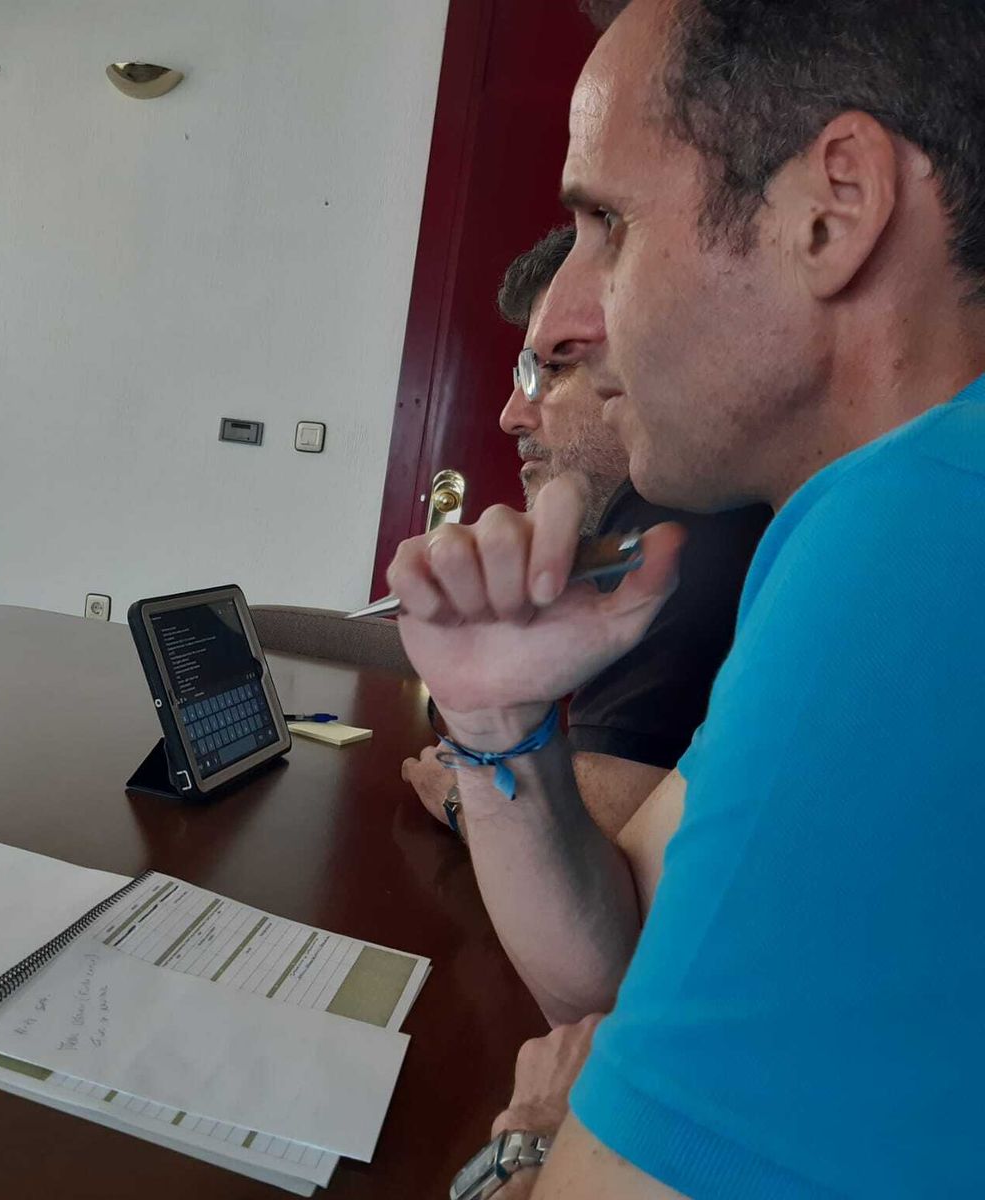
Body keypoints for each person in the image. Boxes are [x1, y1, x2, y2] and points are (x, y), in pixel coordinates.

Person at [389, 0, 985, 1194]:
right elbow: (612, 981)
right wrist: (500, 727)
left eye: (607, 222)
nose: (574, 311)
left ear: (834, 210)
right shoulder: (863, 520)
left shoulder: (917, 542)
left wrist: (521, 1152)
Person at [401, 227, 769, 839]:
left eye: (558, 366)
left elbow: (608, 834)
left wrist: (464, 798)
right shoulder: (645, 526)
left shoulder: (678, 524)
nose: (511, 414)